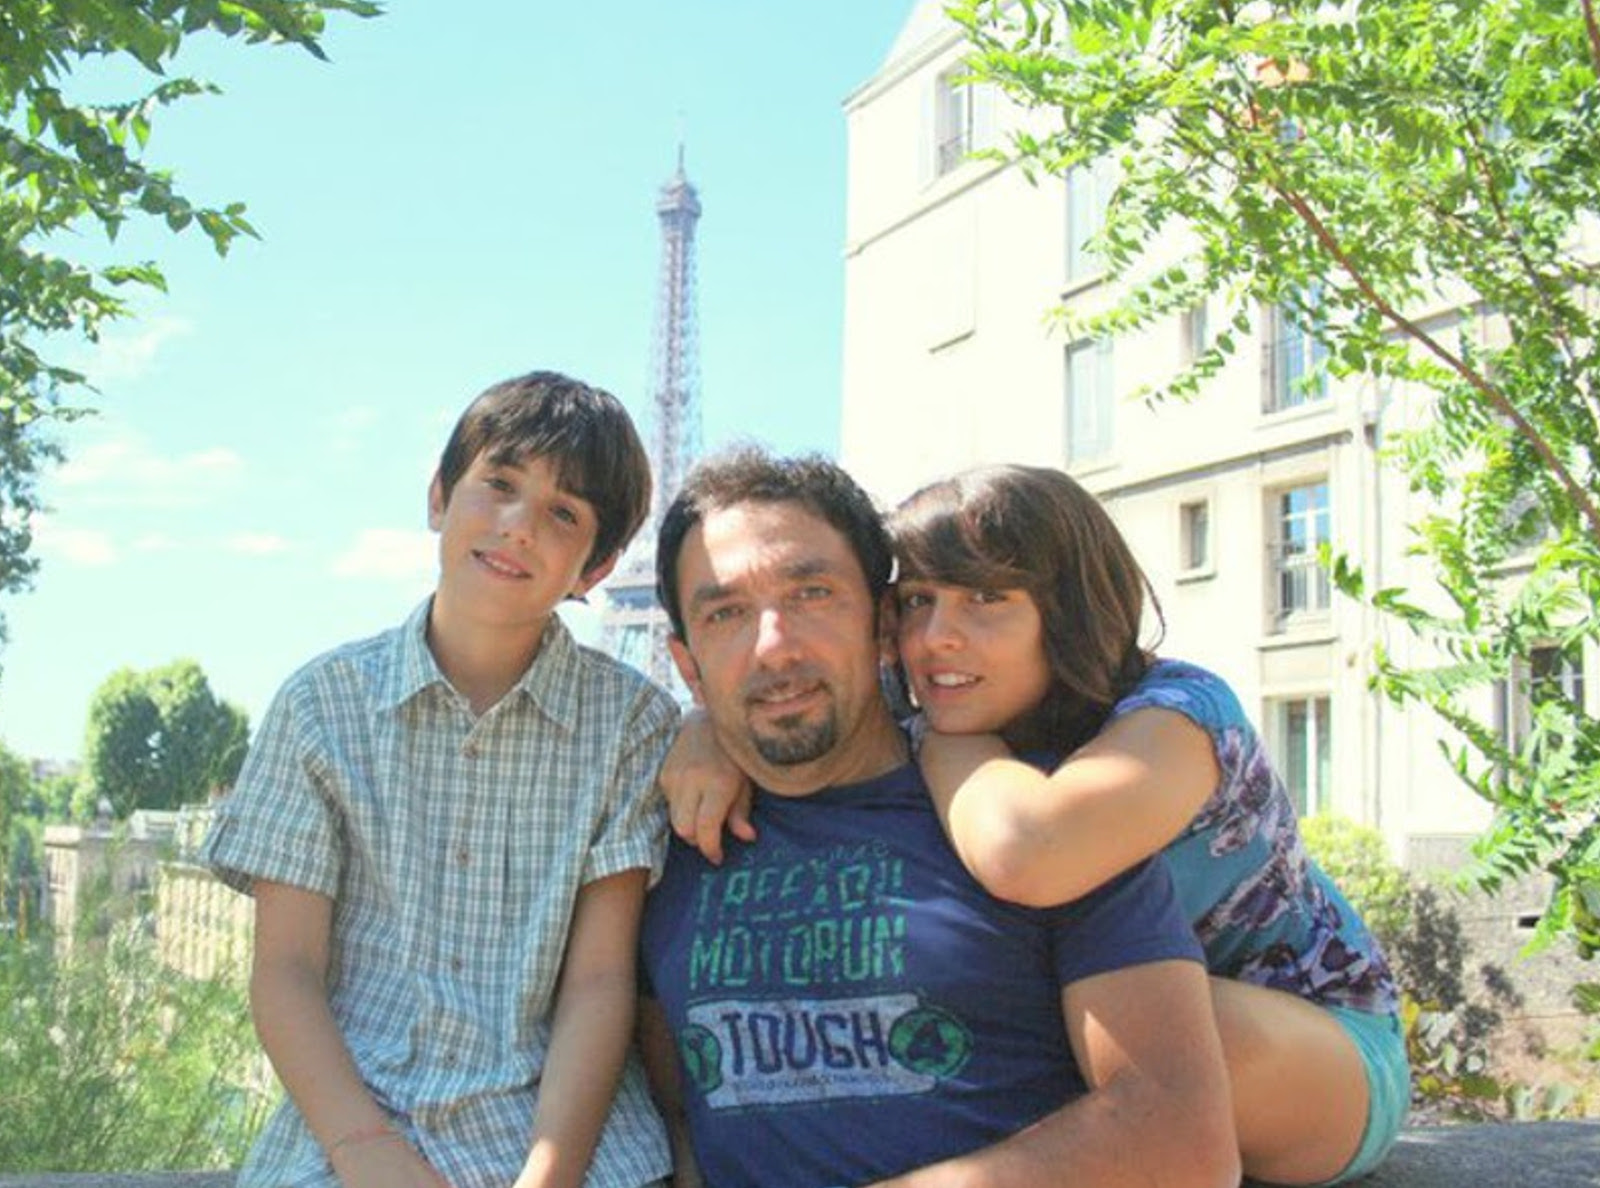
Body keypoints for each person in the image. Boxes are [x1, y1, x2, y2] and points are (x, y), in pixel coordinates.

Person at [668, 462, 1410, 1187]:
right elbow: (776, 683)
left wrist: (949, 742)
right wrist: (707, 727)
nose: (938, 638)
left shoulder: (1174, 713)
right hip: (1160, 984)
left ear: (1067, 610)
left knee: (1075, 1017)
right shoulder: (936, 694)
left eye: (987, 597)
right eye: (918, 602)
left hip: (1316, 1037)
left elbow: (1029, 850)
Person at [202, 372, 675, 1188]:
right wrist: (364, 1150)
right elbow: (287, 972)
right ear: (438, 498)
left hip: (565, 1135)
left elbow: (600, 982)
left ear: (593, 569)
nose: (518, 526)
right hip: (354, 1120)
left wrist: (550, 1174)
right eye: (498, 484)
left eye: (563, 513)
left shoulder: (632, 725)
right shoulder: (323, 707)